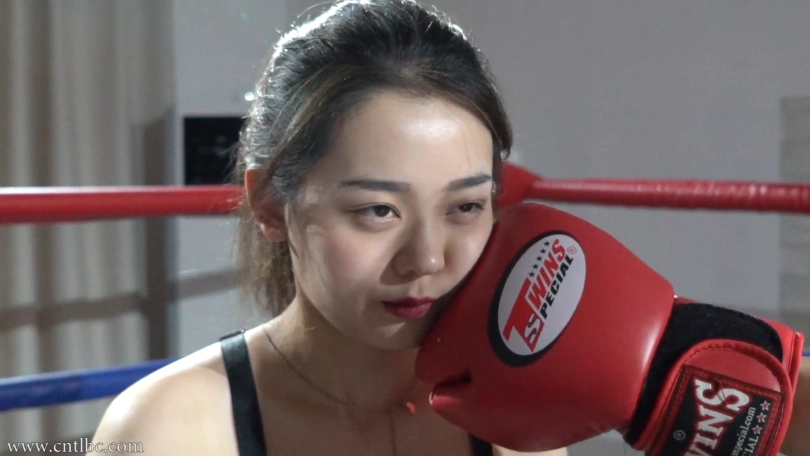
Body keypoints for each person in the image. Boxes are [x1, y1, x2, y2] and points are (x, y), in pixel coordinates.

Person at [90, 0, 568, 454]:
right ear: (271, 204)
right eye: (378, 210)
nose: (426, 258)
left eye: (465, 206)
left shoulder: (515, 411)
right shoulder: (168, 428)